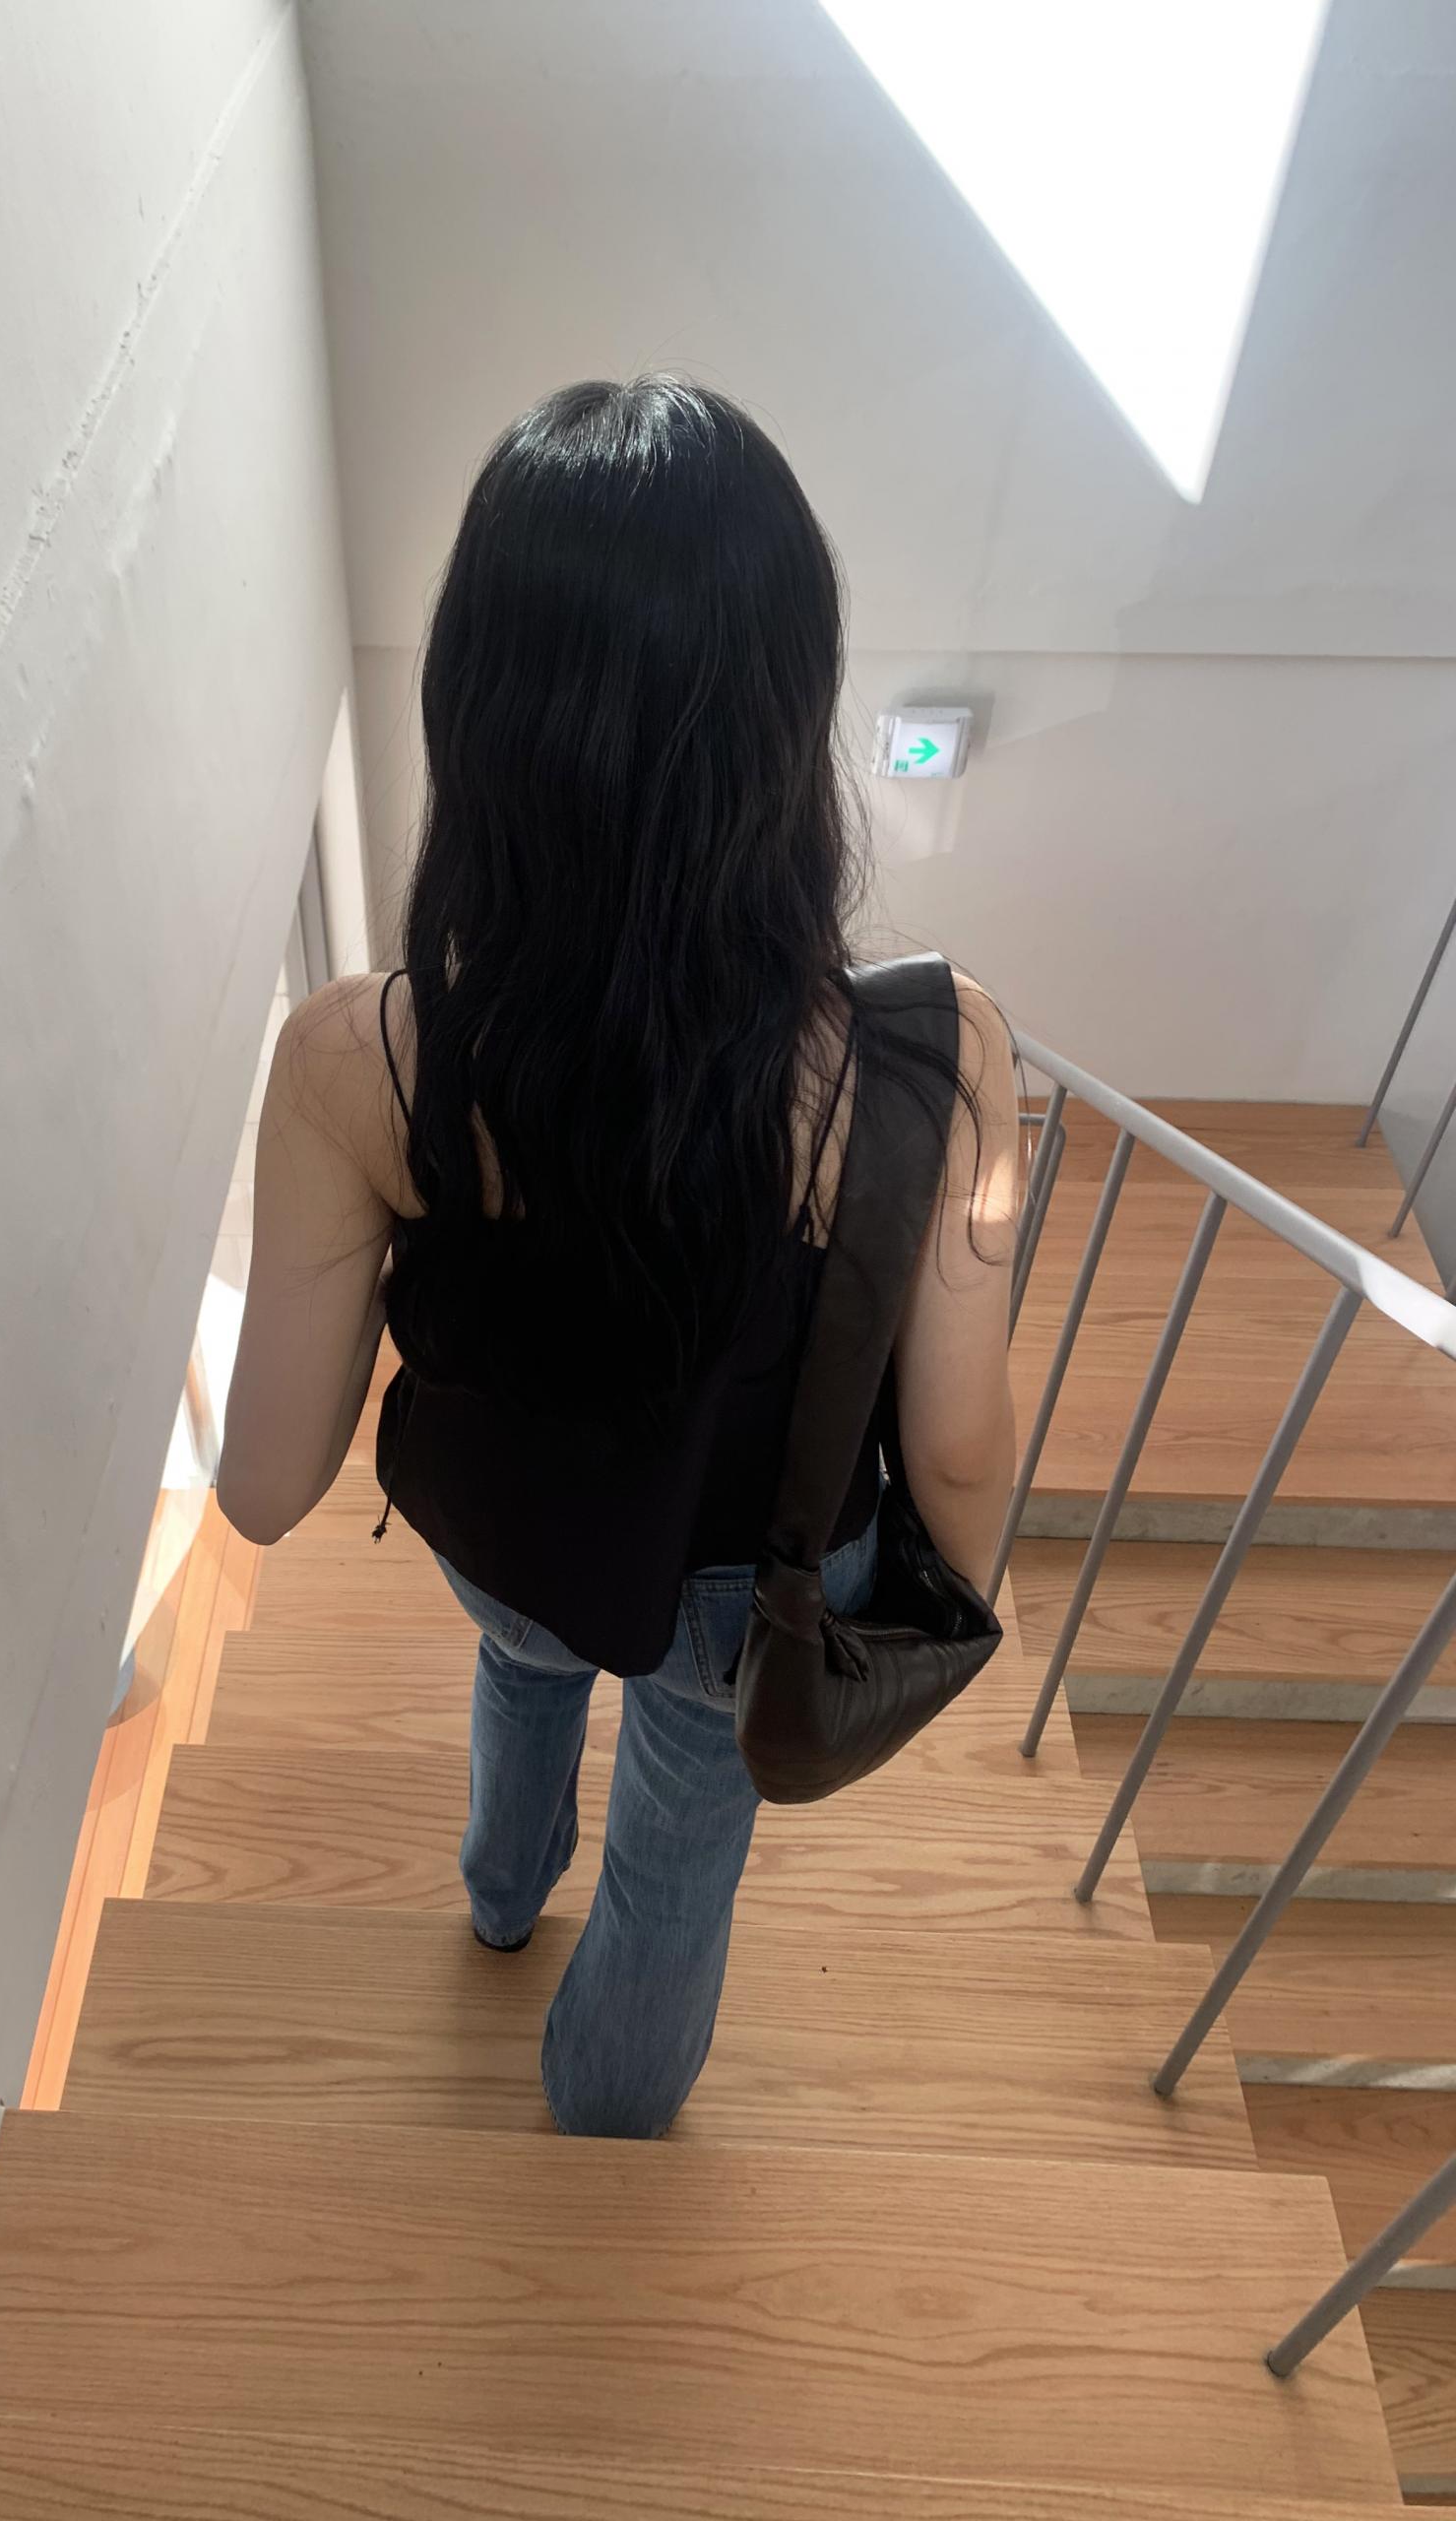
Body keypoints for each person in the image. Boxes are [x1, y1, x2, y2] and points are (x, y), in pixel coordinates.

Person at [219, 376, 1018, 2139]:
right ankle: (598, 2135)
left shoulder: (358, 1060)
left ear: (474, 708)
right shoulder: (931, 1056)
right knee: (679, 1856)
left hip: (514, 1530)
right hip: (755, 1578)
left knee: (521, 1668)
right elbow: (958, 1444)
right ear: (789, 716)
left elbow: (265, 1492)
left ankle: (499, 1898)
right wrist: (960, 1602)